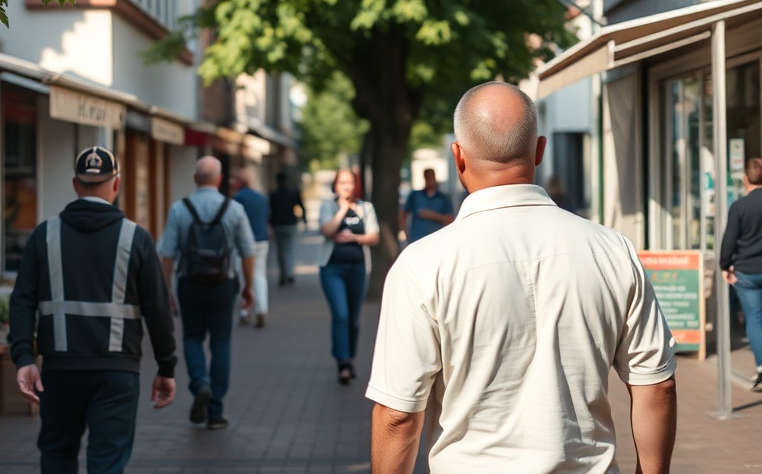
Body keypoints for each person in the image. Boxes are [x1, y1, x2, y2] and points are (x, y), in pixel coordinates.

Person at [368, 82, 677, 474]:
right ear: (540, 151)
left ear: (458, 157)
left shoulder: (422, 264)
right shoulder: (611, 250)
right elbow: (657, 383)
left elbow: (398, 417)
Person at [9, 145, 177, 474]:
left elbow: (22, 300)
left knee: (57, 453)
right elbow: (158, 308)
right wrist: (166, 367)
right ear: (116, 184)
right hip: (117, 371)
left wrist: (24, 358)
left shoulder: (45, 235)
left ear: (75, 184)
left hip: (59, 370)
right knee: (108, 460)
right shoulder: (136, 238)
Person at [159, 156, 255, 430]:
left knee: (191, 336)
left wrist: (165, 289)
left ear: (194, 179)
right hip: (224, 285)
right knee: (221, 342)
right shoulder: (234, 209)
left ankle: (200, 382)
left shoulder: (179, 209)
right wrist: (249, 286)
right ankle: (216, 411)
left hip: (190, 284)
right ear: (219, 179)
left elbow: (167, 254)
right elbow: (248, 252)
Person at [318, 168, 380, 385]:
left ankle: (349, 357)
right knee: (341, 315)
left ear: (356, 185)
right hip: (332, 269)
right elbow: (327, 231)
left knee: (353, 320)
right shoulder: (328, 206)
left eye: (350, 183)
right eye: (342, 183)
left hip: (358, 269)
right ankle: (343, 362)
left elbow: (374, 237)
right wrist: (341, 211)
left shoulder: (366, 207)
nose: (346, 186)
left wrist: (354, 237)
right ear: (336, 186)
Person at [720, 156, 762, 391]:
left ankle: (761, 367)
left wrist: (725, 266)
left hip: (746, 271)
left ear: (746, 178)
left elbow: (729, 240)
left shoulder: (739, 206)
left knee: (754, 319)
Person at [231, 168, 270, 327]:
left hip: (244, 243)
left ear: (240, 182)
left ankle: (245, 311)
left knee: (244, 277)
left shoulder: (238, 198)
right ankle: (261, 309)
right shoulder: (261, 197)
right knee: (260, 275)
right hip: (262, 240)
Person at [399, 167, 454, 244]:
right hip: (417, 240)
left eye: (431, 177)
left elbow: (451, 219)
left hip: (437, 241)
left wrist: (430, 215)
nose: (430, 180)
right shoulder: (415, 195)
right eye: (427, 177)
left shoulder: (443, 198)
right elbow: (403, 213)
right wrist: (405, 231)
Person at [269, 171, 305, 285]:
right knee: (290, 250)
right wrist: (304, 219)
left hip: (277, 225)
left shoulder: (273, 195)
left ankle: (283, 274)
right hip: (290, 223)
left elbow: (270, 211)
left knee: (280, 251)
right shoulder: (293, 193)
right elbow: (301, 206)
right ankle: (290, 273)